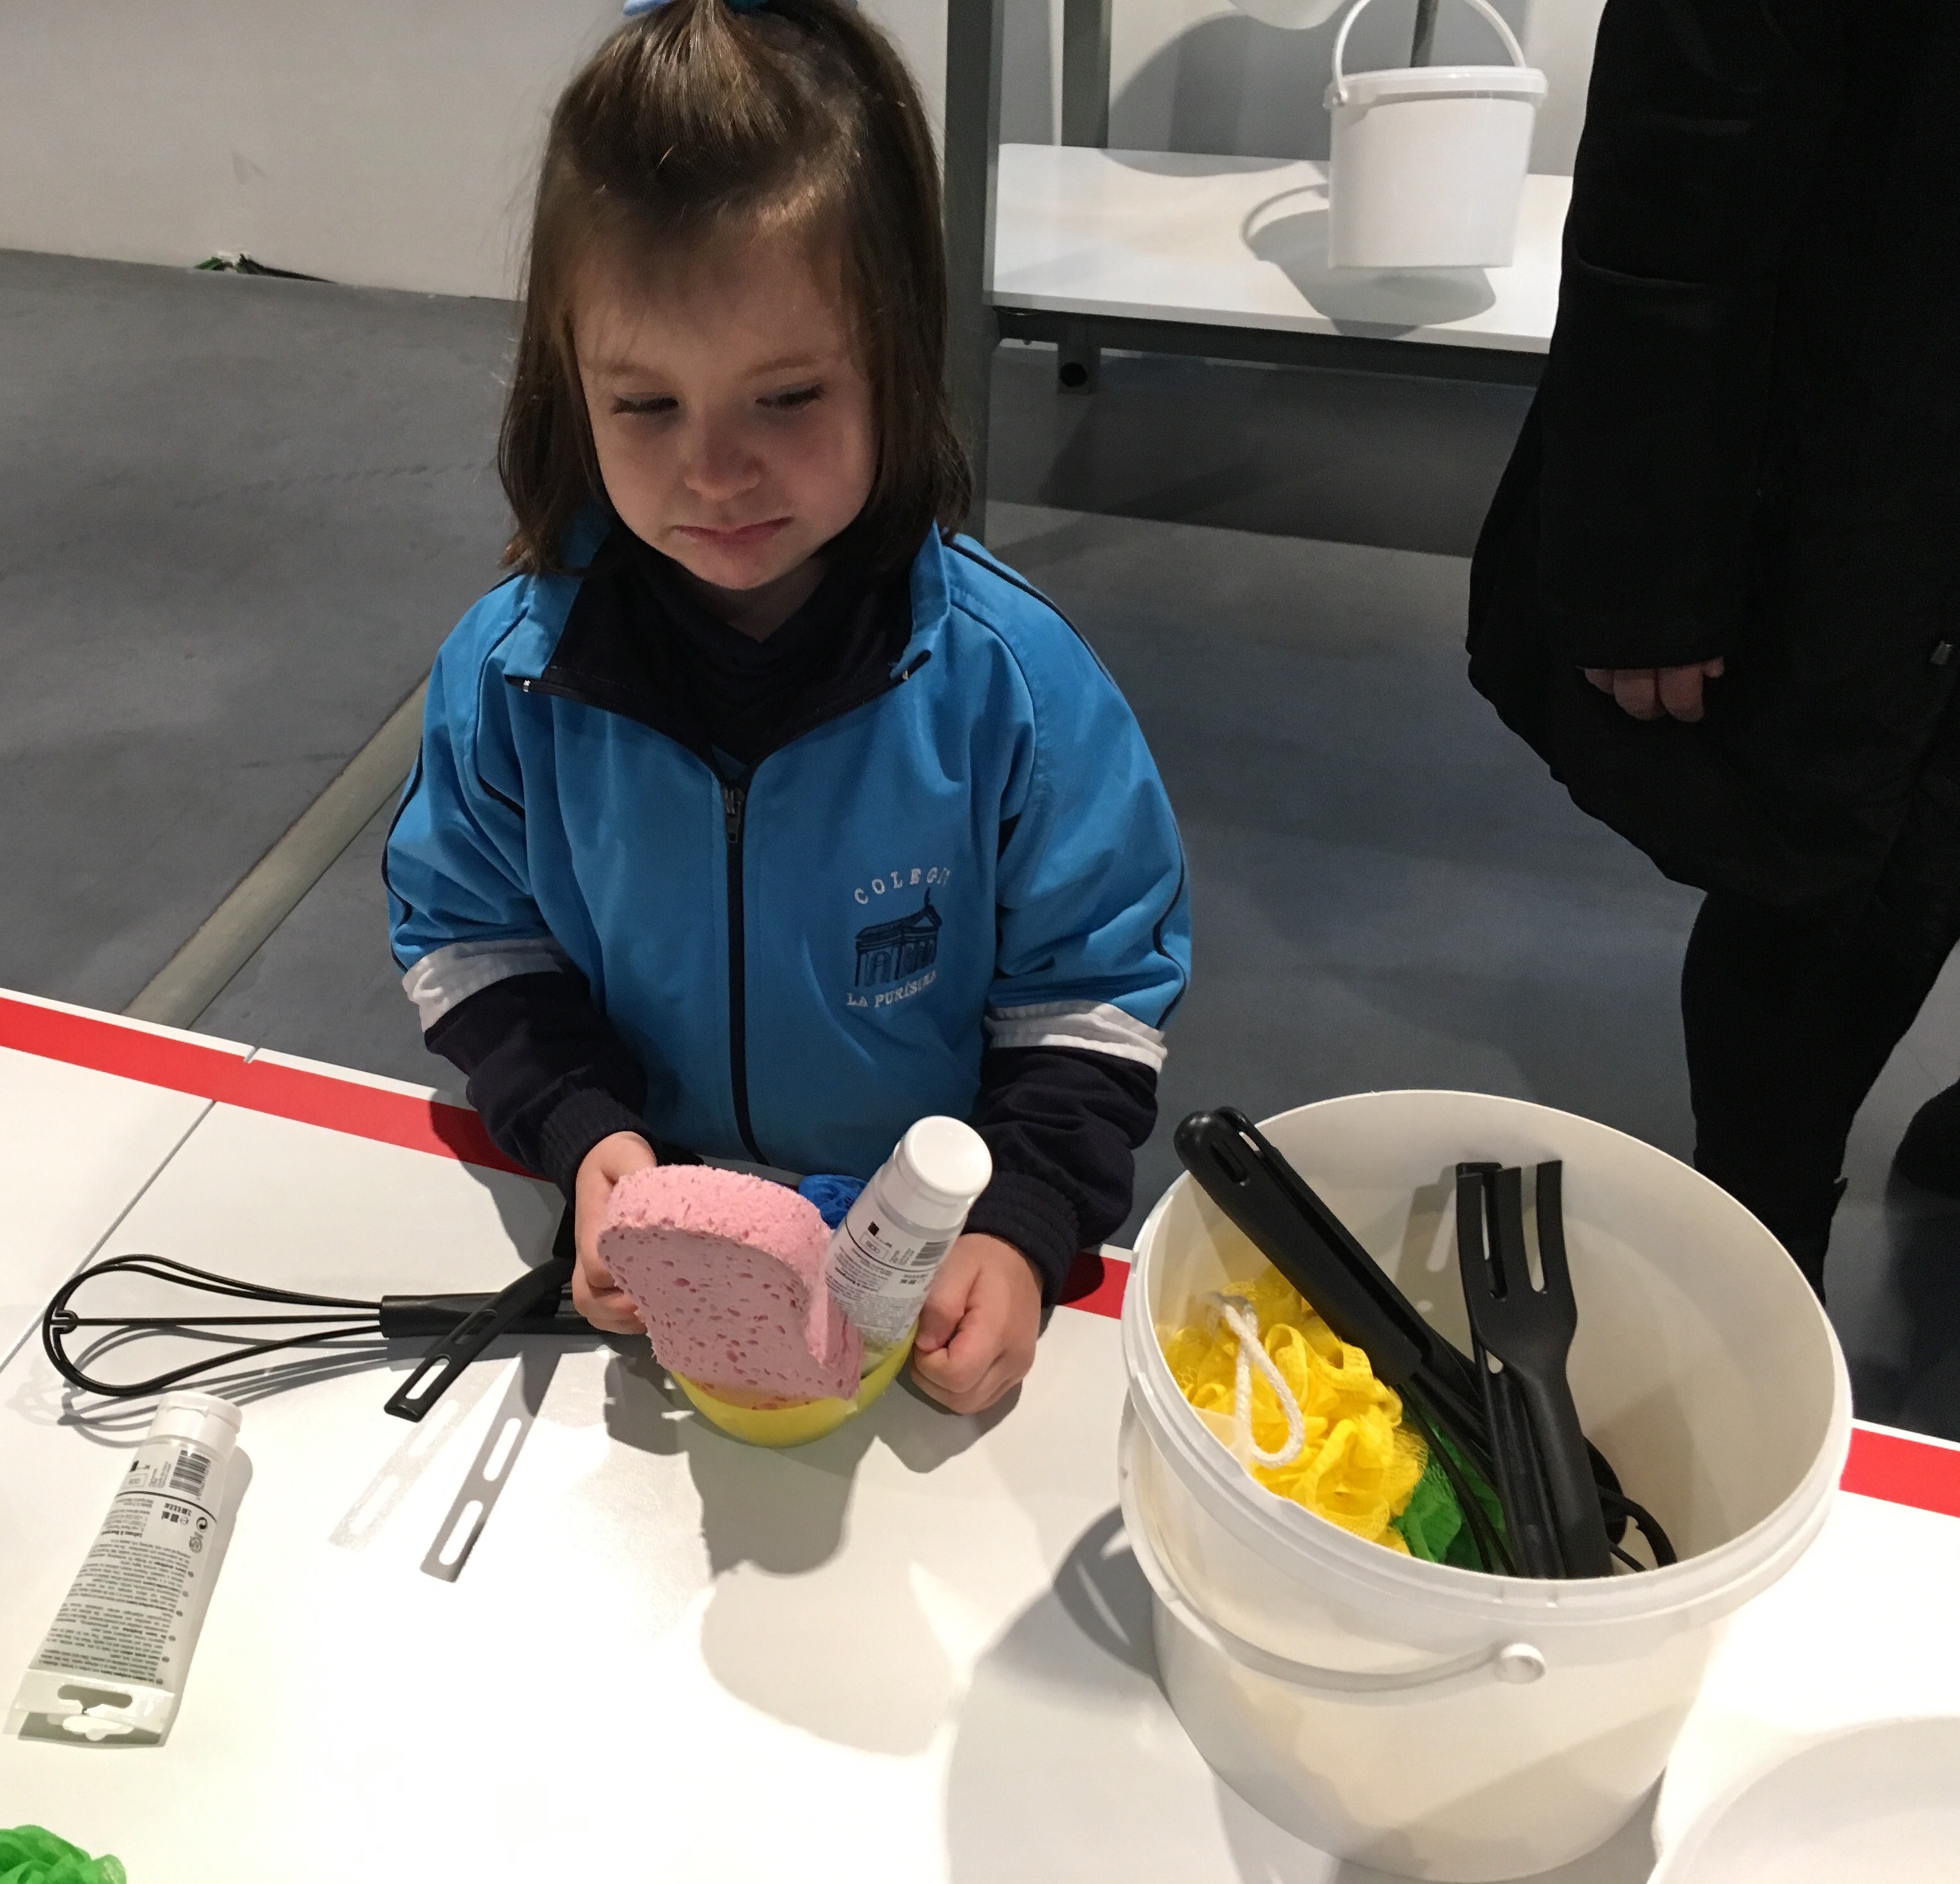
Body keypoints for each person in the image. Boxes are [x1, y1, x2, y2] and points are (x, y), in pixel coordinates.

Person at [383, 0, 1189, 1410]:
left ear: (898, 360)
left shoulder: (1012, 686)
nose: (713, 472)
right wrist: (585, 1133)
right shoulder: (513, 678)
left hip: (913, 1267)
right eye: (645, 406)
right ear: (568, 389)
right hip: (653, 1255)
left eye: (788, 395)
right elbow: (468, 934)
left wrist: (1019, 1219)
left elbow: (1091, 997)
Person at [1468, 0, 1960, 1296]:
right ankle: (1758, 1249)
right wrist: (1646, 570)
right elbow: (1678, 160)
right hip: (1875, 427)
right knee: (1834, 862)